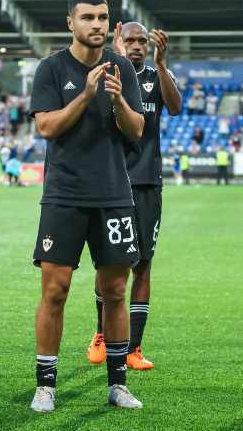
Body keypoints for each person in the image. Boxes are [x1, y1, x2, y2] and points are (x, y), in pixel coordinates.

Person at [29, 0, 145, 413]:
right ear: (70, 23)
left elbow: (136, 130)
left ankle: (118, 383)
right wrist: (84, 94)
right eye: (87, 17)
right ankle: (45, 385)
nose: (96, 24)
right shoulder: (52, 68)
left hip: (114, 195)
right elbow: (46, 127)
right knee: (55, 291)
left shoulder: (123, 72)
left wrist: (116, 99)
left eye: (102, 17)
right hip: (64, 195)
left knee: (115, 290)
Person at [86, 21, 181, 370]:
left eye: (143, 41)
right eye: (132, 40)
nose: (138, 45)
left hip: (147, 184)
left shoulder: (156, 77)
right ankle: (100, 334)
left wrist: (162, 64)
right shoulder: (108, 73)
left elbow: (174, 107)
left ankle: (133, 348)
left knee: (142, 265)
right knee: (110, 265)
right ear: (119, 41)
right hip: (112, 182)